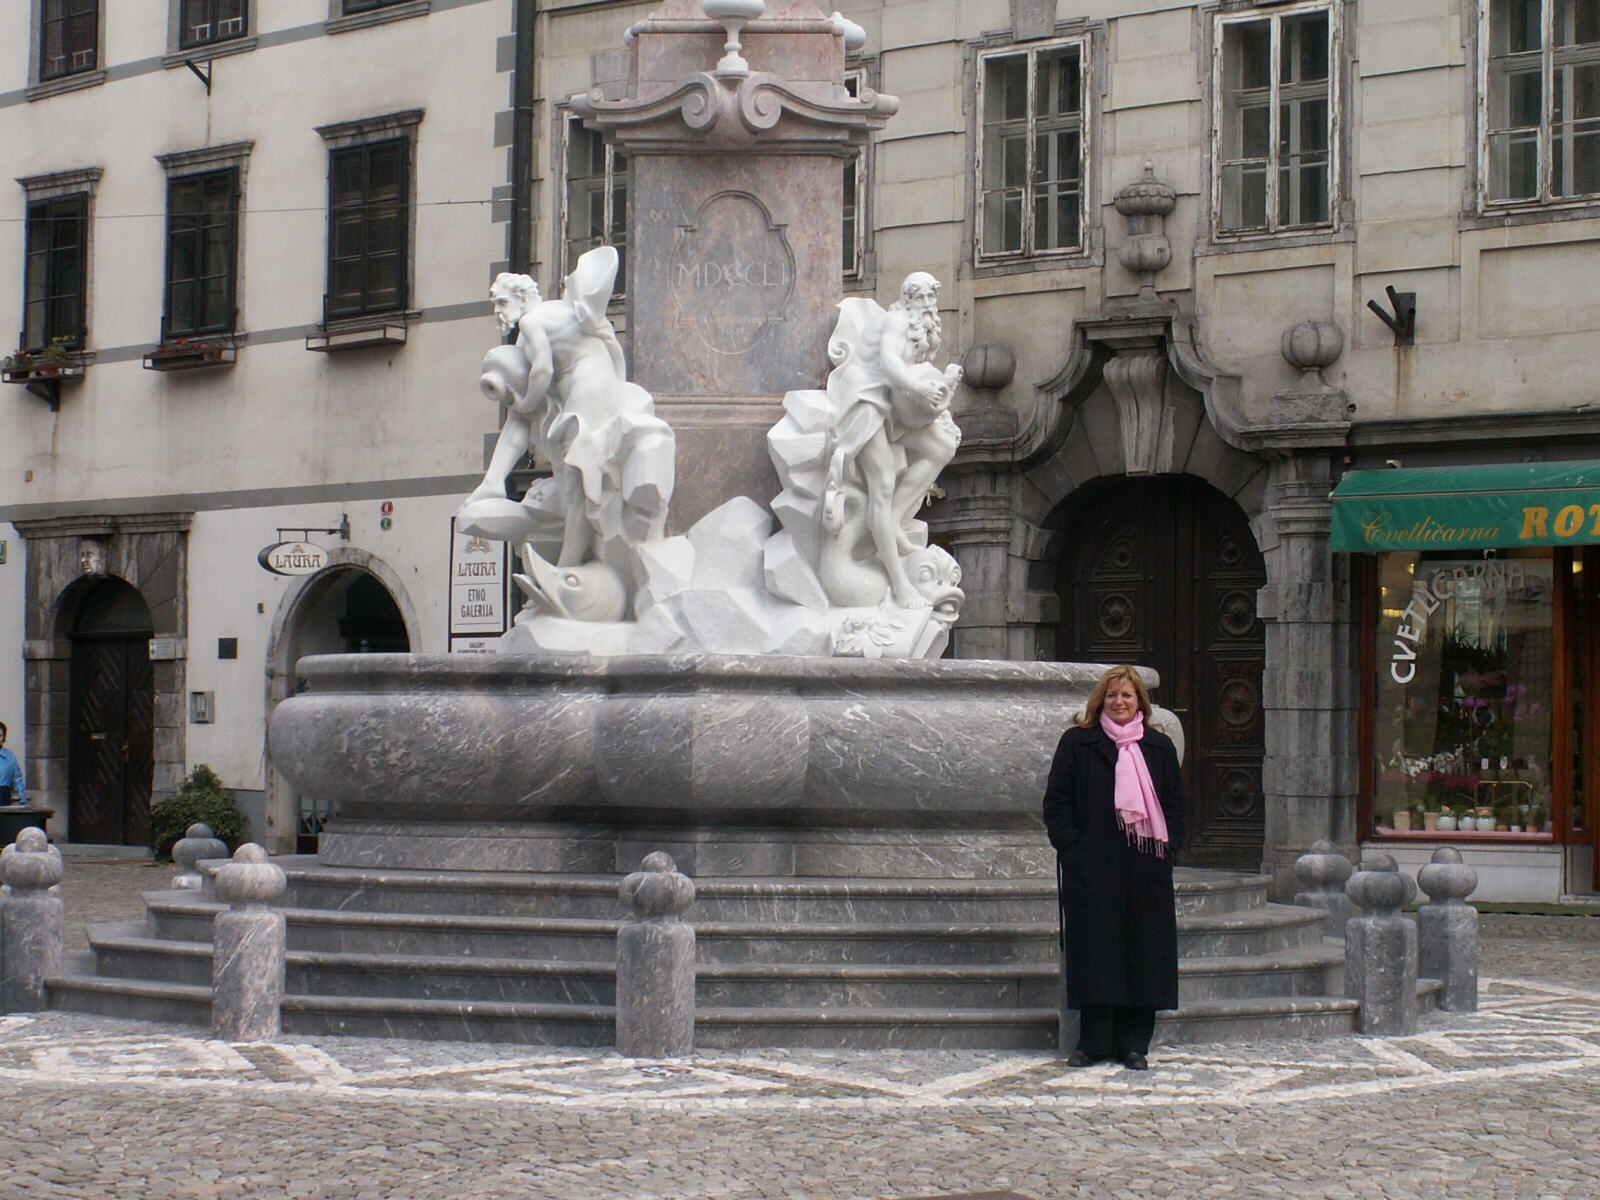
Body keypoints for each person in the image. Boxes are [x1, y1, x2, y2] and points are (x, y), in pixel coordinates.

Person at [1042, 665, 1186, 1070]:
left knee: (1144, 953)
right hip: (1093, 867)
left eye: (1127, 695)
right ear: (1099, 702)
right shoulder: (1078, 743)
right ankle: (1094, 1042)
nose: (1119, 702)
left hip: (1145, 868)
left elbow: (1175, 806)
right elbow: (1057, 802)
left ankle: (1135, 1043)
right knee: (1096, 952)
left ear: (1140, 701)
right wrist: (1074, 848)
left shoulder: (1158, 747)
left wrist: (1168, 848)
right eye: (1111, 696)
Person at [820, 272, 963, 608]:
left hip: (893, 404)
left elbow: (914, 380)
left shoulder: (923, 330)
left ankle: (891, 520)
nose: (928, 305)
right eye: (921, 298)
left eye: (932, 298)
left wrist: (940, 385)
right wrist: (921, 388)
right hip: (865, 399)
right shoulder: (897, 320)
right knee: (882, 482)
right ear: (908, 298)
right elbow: (888, 364)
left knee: (943, 447)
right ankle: (899, 583)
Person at [0, 720, 26, 807]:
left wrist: (22, 799)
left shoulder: (10, 757)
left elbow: (17, 779)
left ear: (4, 738)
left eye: (0, 736)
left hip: (4, 801)